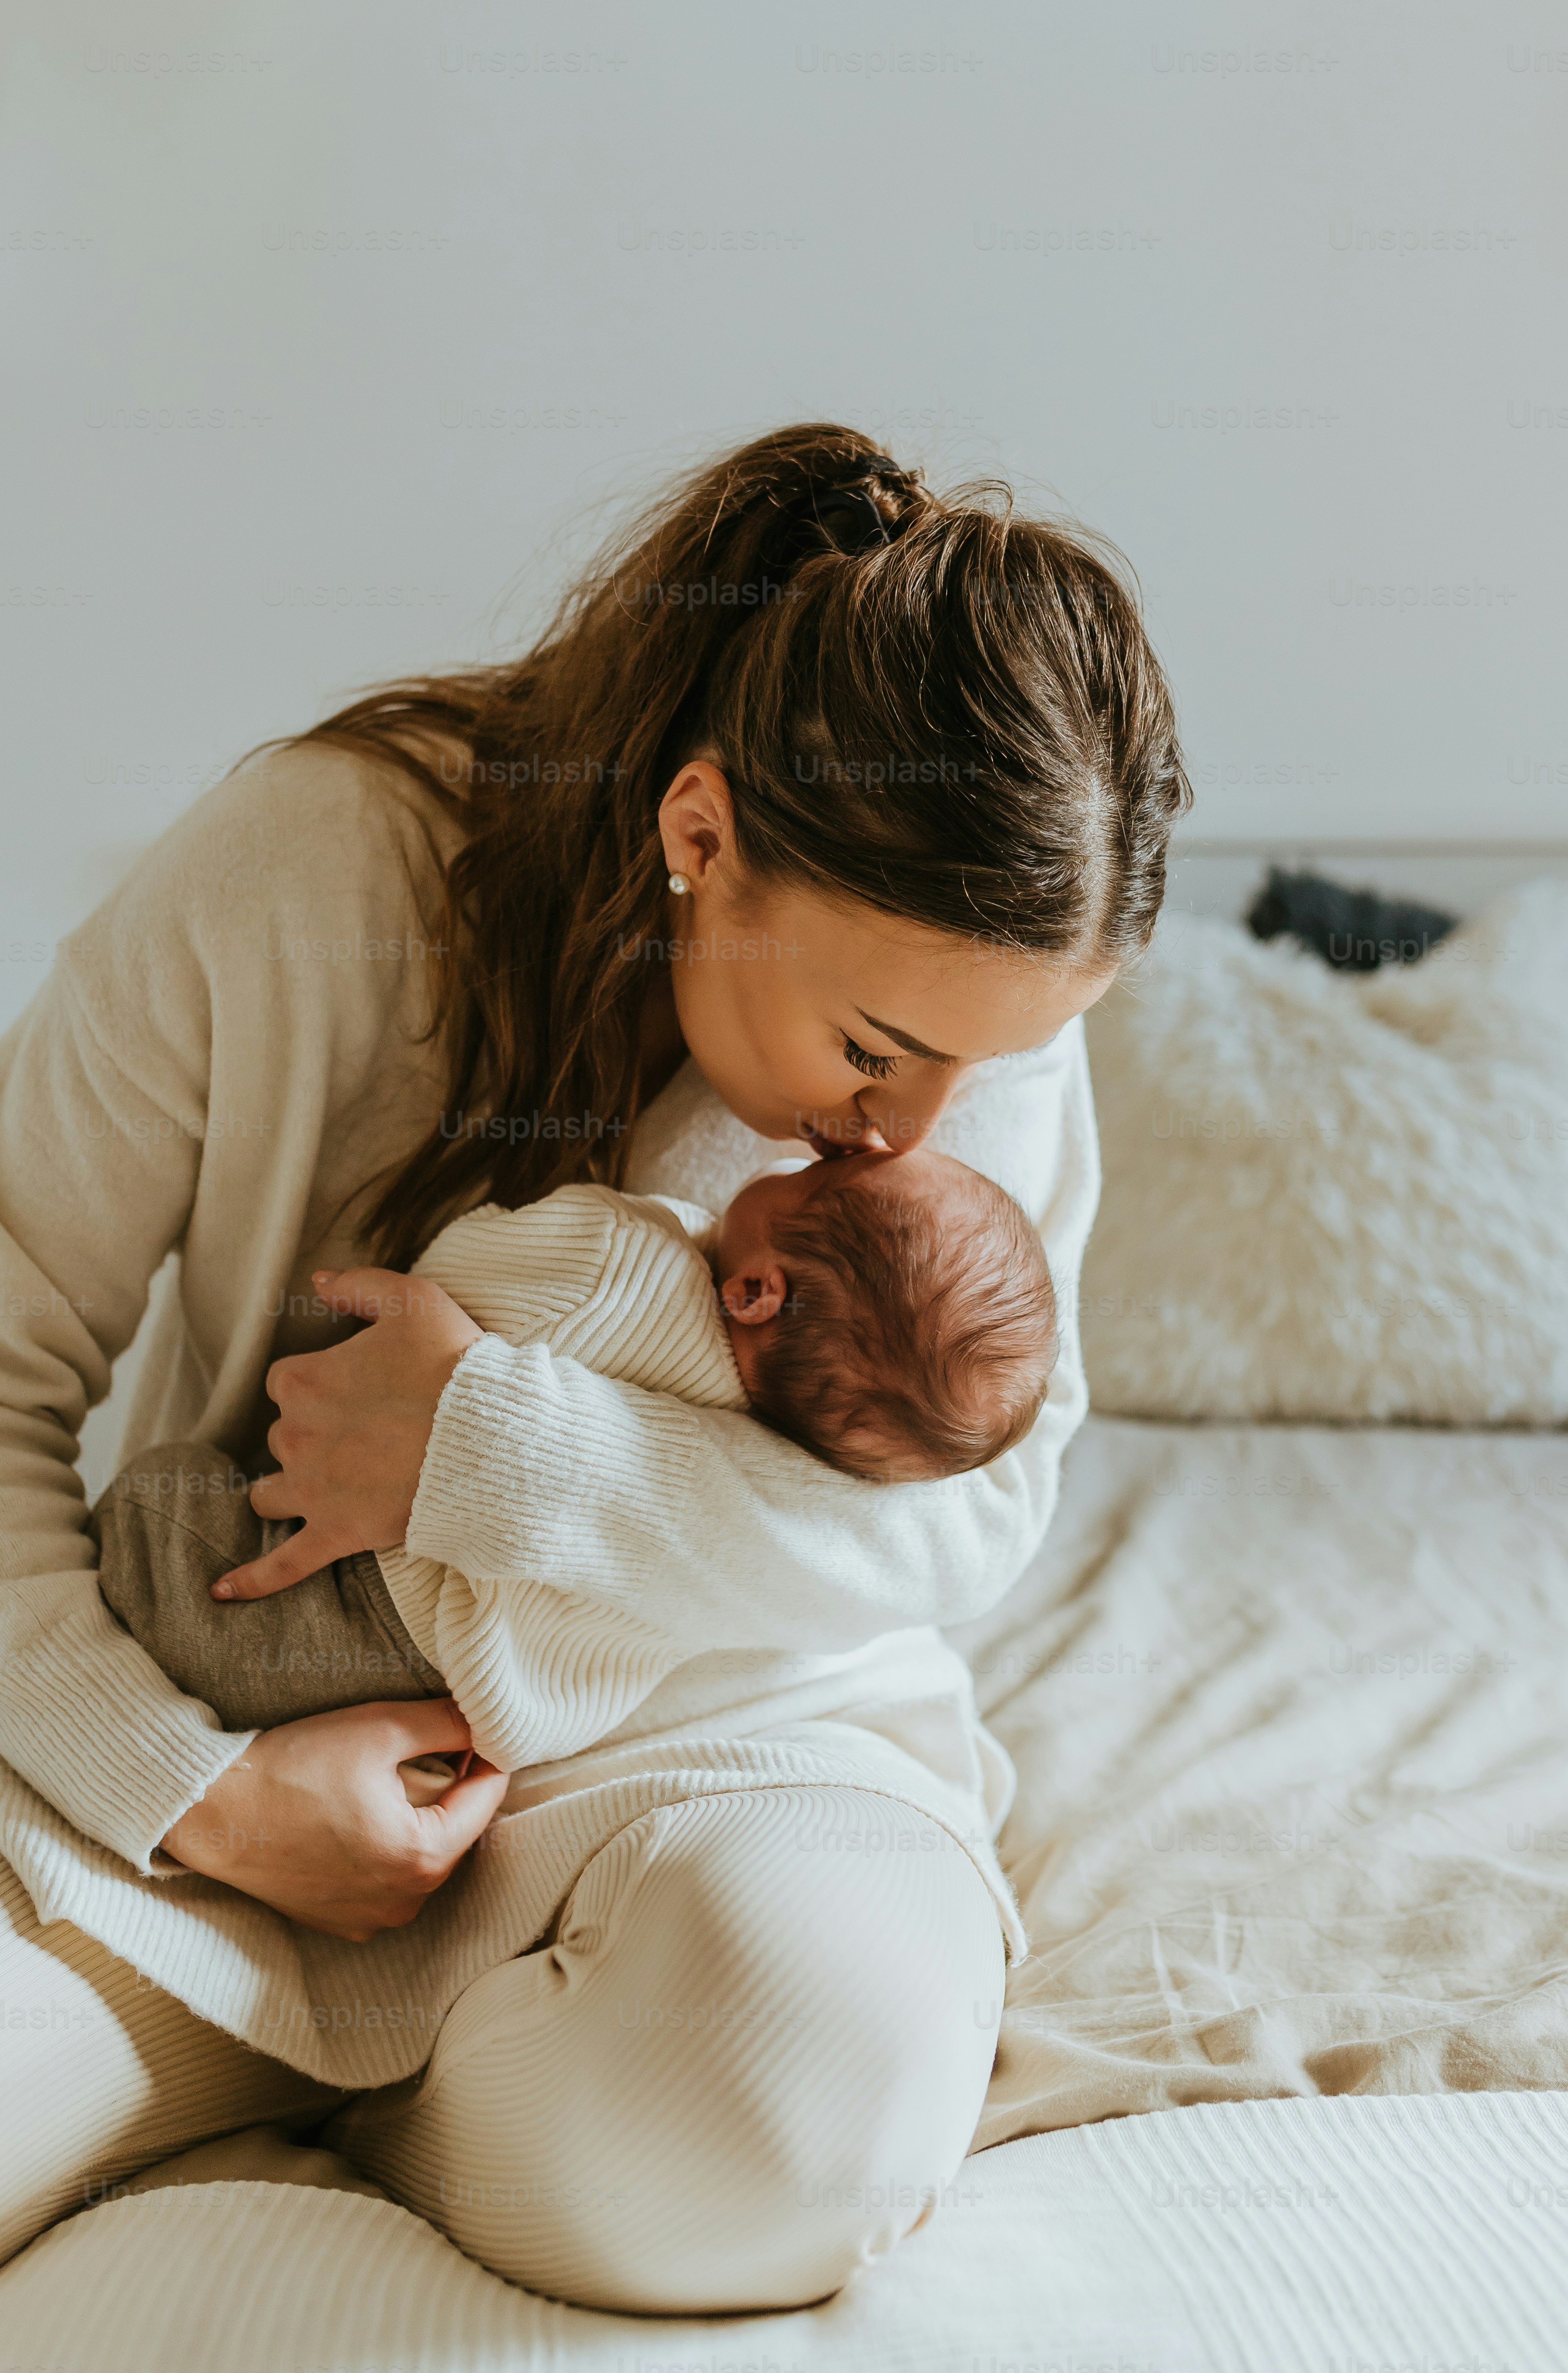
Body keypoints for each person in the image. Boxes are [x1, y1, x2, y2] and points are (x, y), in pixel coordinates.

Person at [0, 423, 1190, 2313]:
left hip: (727, 1735)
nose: (914, 1139)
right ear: (698, 831)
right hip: (251, 1700)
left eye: (991, 1068)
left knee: (797, 2100)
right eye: (880, 1045)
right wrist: (193, 1792)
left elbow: (965, 1521)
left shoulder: (966, 1009)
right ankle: (262, 2028)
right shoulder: (304, 869)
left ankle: (384, 2085)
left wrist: (494, 1451)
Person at [91, 1150, 1059, 1772]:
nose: (819, 1147)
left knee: (157, 1494)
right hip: (461, 1717)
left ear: (759, 1290)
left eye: (813, 1174)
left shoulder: (620, 1263)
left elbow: (459, 1270)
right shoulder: (785, 1455)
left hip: (334, 1616)